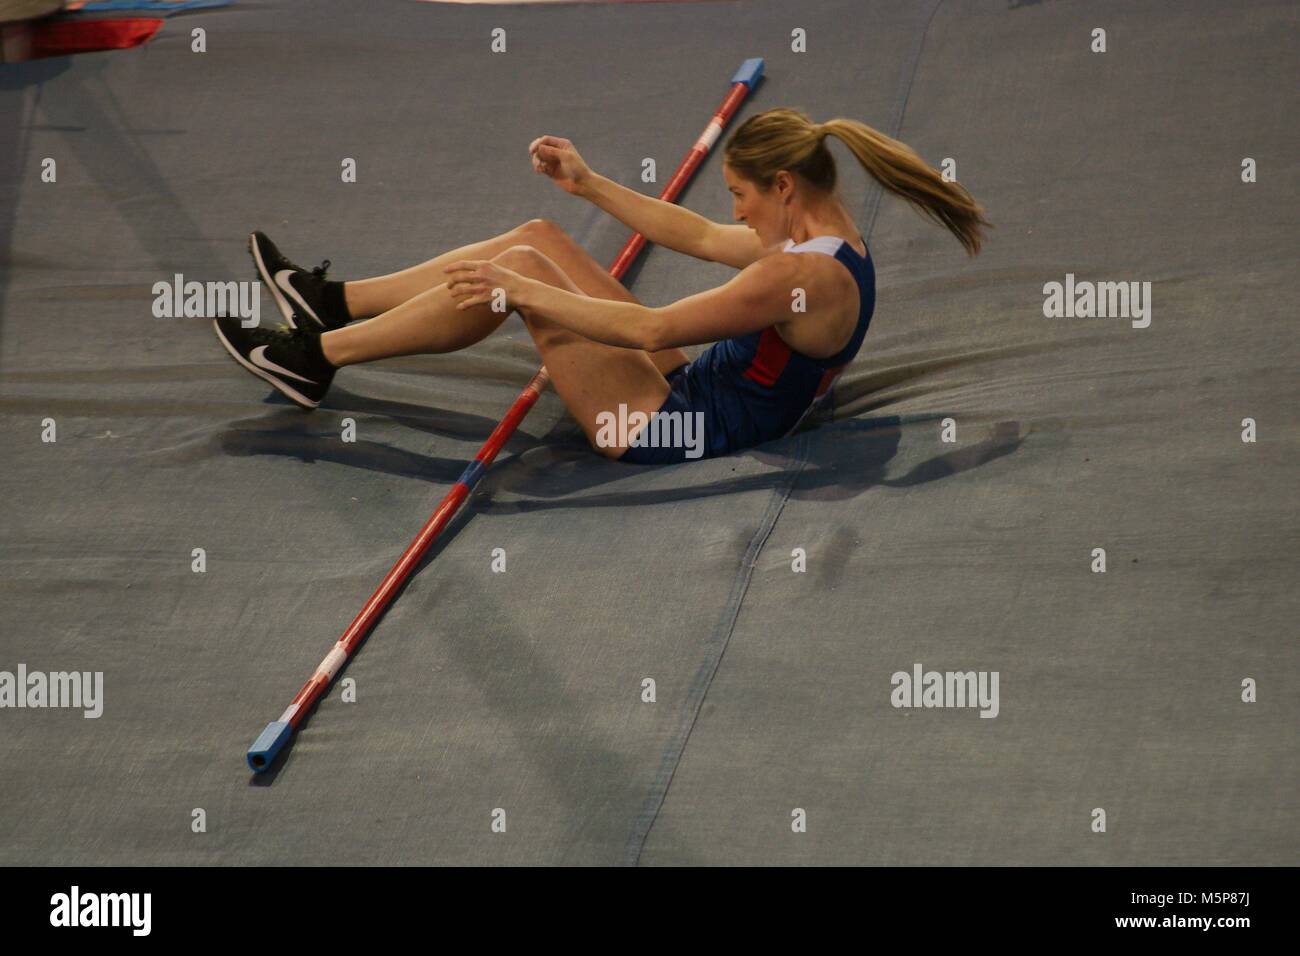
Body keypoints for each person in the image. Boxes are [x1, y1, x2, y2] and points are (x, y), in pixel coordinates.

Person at [213, 107, 989, 464]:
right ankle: (332, 302)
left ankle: (314, 356)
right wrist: (588, 185)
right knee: (538, 238)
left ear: (783, 185)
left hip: (663, 424)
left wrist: (519, 295)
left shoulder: (797, 276)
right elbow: (690, 233)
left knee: (517, 270)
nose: (735, 210)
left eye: (741, 195)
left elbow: (651, 331)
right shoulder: (831, 236)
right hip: (698, 388)